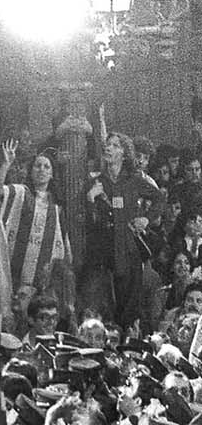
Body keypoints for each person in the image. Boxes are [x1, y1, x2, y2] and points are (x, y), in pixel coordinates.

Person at [81, 130, 163, 334]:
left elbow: (160, 199)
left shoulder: (134, 180)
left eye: (115, 145)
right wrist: (91, 199)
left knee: (129, 310)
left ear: (125, 154)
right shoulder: (95, 182)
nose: (109, 147)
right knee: (105, 306)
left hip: (129, 252)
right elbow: (88, 223)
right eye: (108, 144)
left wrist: (146, 218)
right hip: (103, 255)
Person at [0, 152, 73, 324]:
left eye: (46, 167)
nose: (41, 170)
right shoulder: (21, 193)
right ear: (31, 170)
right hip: (17, 269)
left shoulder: (56, 205)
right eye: (37, 165)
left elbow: (63, 238)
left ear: (52, 174)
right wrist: (6, 163)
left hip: (43, 275)